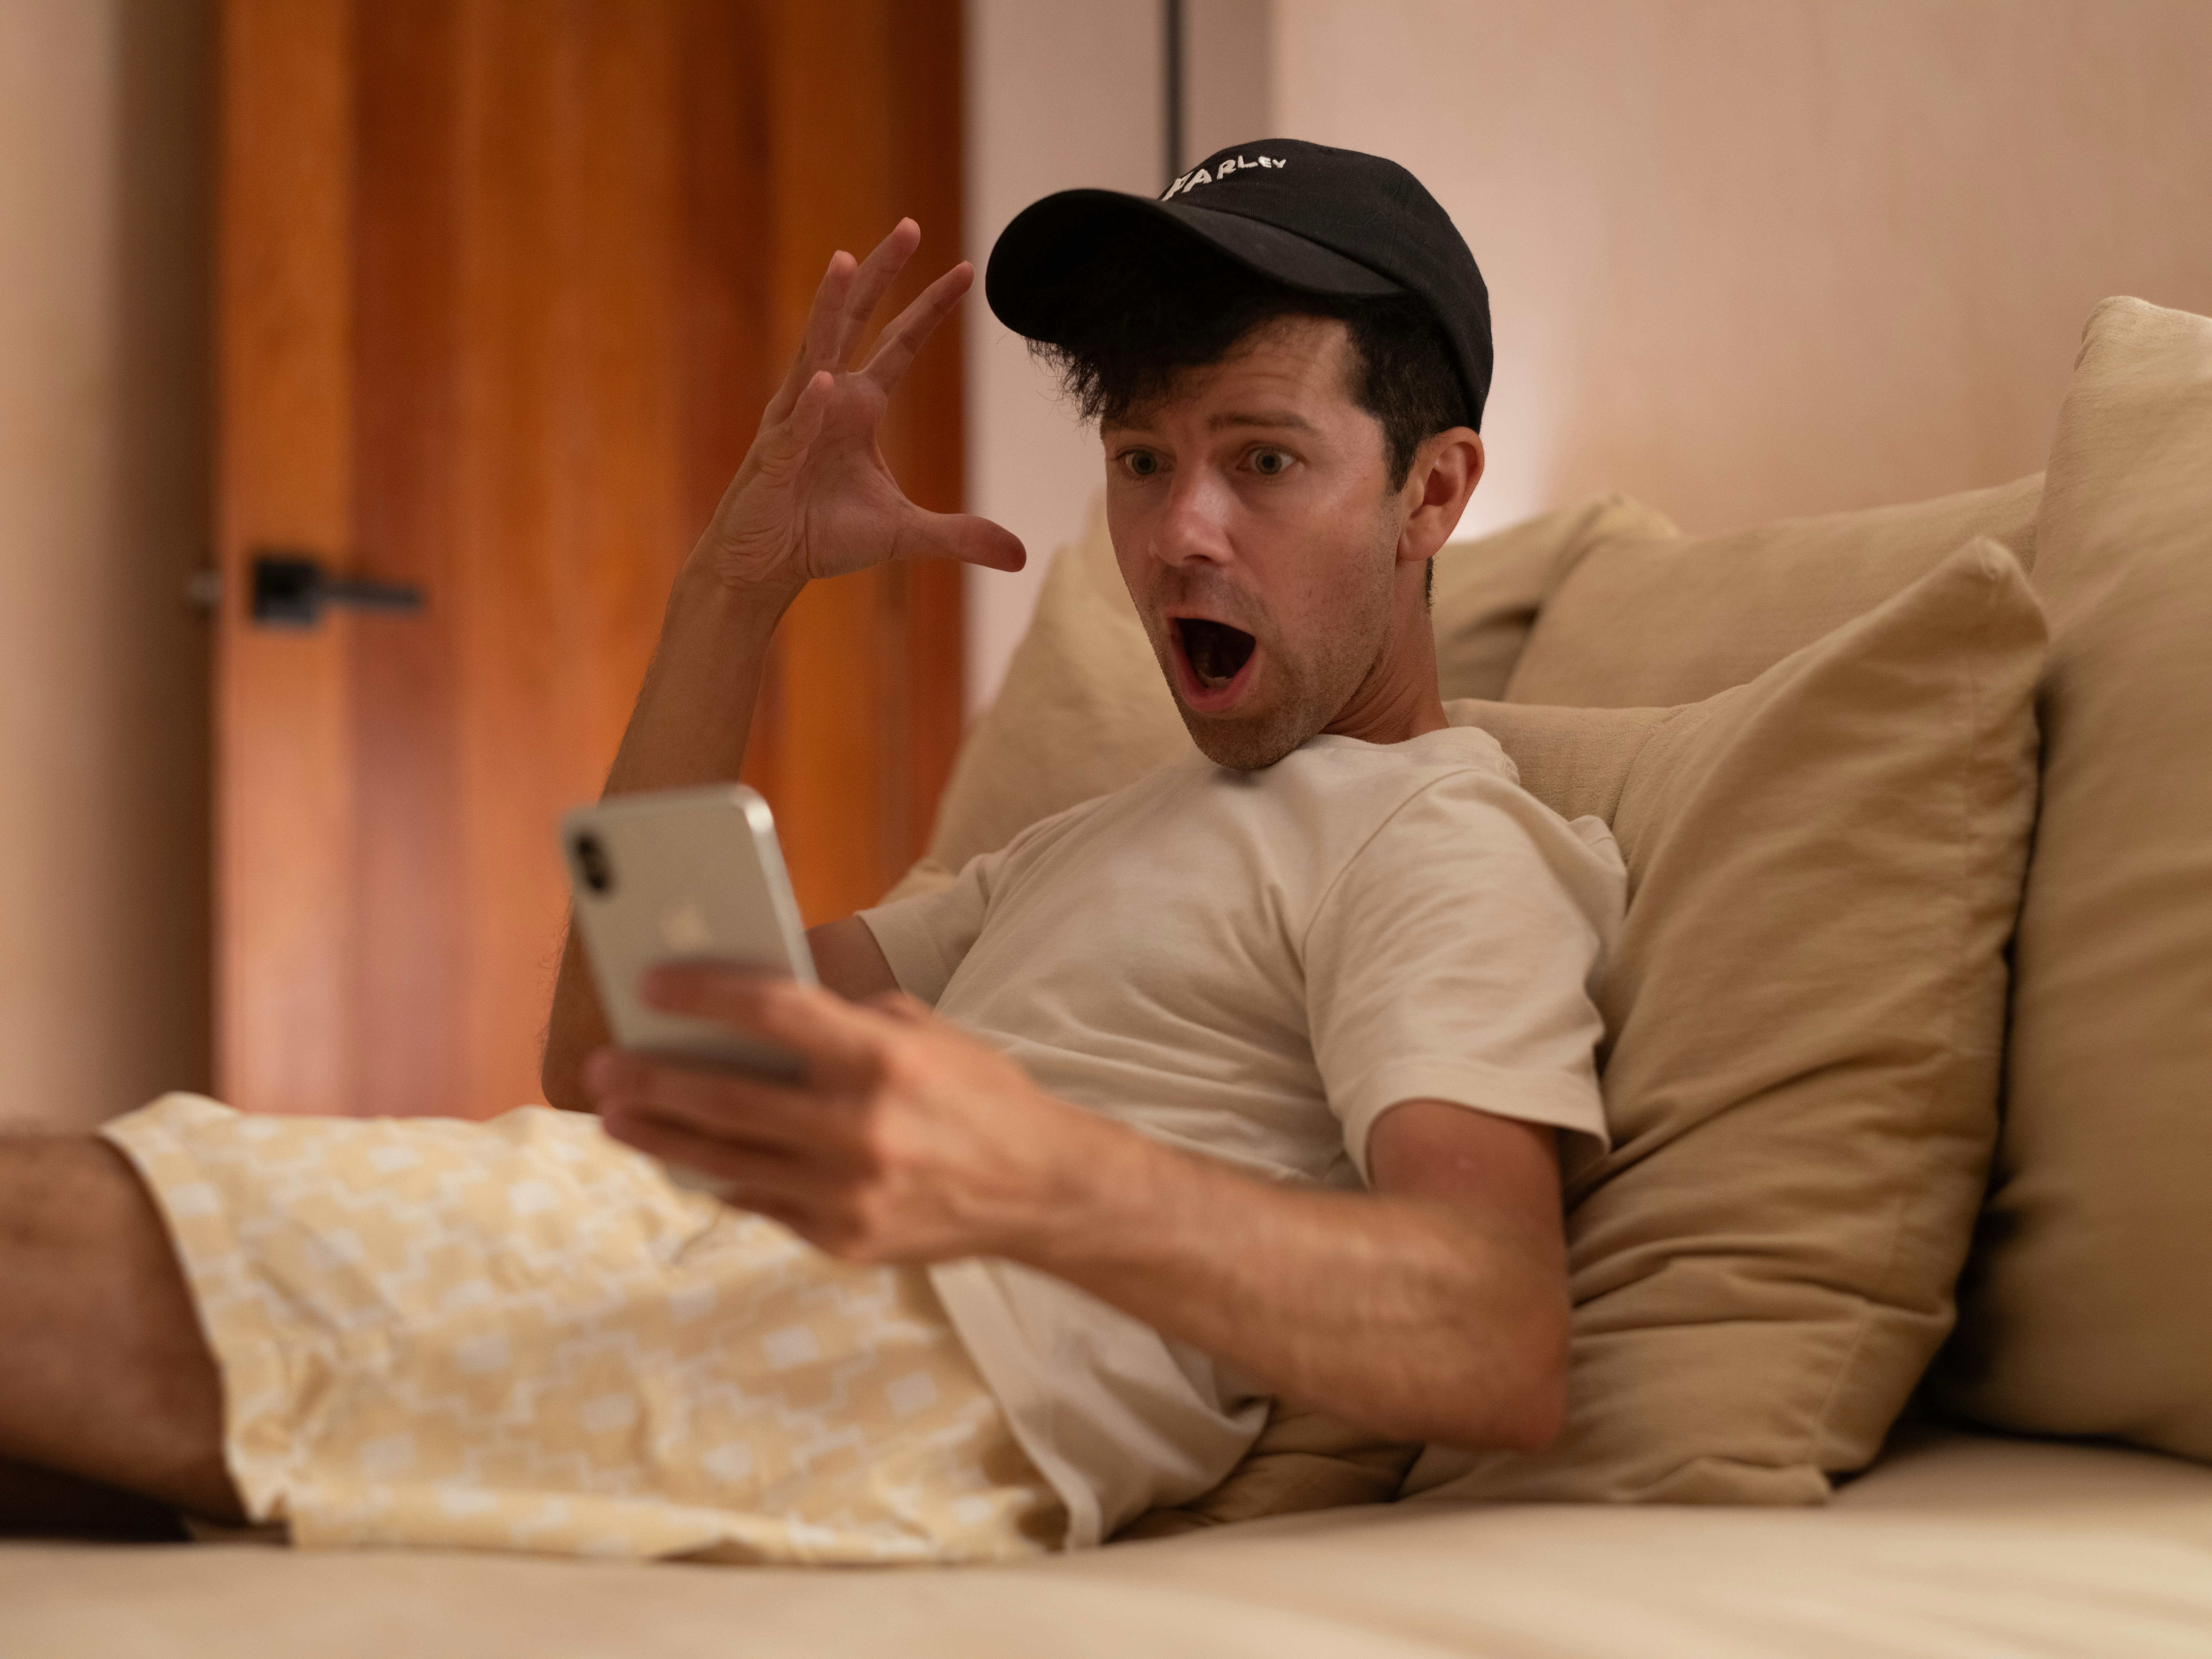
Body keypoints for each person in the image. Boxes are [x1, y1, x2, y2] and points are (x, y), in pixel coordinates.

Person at [0, 141, 1621, 1558]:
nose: (1178, 529)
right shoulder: (1090, 846)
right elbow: (617, 1052)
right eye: (1142, 460)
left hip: (895, 1351)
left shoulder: (1443, 835)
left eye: (1262, 459)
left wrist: (1033, 1174)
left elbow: (1493, 1330)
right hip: (701, 1251)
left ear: (1432, 493)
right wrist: (735, 583)